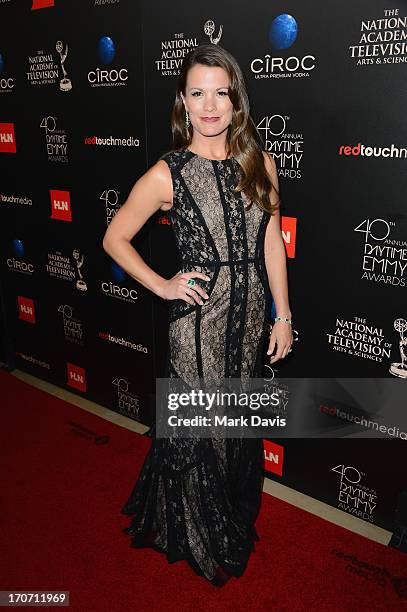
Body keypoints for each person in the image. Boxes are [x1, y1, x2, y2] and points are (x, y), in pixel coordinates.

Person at [102, 43, 293, 587]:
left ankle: (224, 516)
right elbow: (114, 237)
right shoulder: (168, 173)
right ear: (183, 103)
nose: (210, 106)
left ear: (236, 101)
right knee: (203, 431)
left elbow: (273, 242)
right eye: (197, 94)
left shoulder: (260, 160)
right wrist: (163, 284)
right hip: (198, 325)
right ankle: (197, 533)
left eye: (221, 93)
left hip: (252, 315)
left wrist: (283, 315)